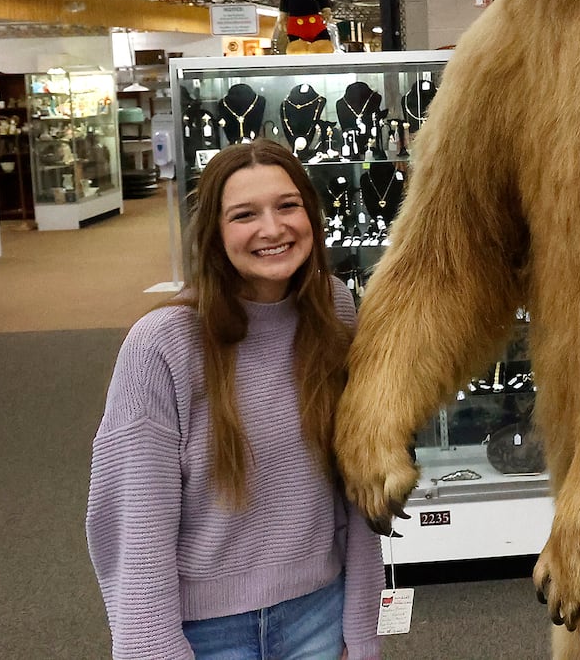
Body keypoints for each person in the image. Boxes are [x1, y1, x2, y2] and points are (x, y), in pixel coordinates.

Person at [87, 140, 383, 660]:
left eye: (288, 206)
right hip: (204, 633)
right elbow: (133, 521)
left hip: (320, 612)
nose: (272, 229)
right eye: (245, 215)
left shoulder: (335, 310)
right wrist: (153, 649)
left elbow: (356, 483)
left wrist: (361, 626)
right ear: (215, 234)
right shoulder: (162, 343)